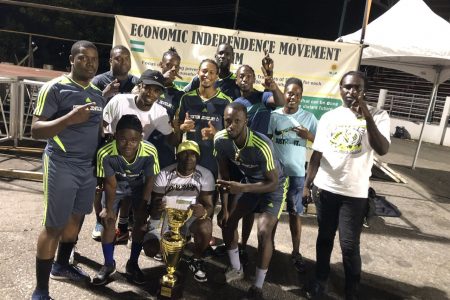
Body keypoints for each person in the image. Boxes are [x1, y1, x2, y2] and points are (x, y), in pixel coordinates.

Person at [304, 71, 390, 299]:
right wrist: (307, 185)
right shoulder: (329, 117)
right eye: (347, 87)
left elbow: (381, 149)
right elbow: (317, 154)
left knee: (349, 246)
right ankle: (320, 281)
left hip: (354, 193)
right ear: (340, 89)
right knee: (324, 238)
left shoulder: (379, 115)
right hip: (325, 188)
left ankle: (351, 290)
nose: (352, 92)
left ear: (364, 91)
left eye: (357, 88)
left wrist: (366, 117)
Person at [31, 40, 104, 300]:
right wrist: (69, 119)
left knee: (76, 220)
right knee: (53, 226)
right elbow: (36, 130)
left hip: (87, 167)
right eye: (84, 58)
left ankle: (61, 266)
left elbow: (96, 130)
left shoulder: (97, 93)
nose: (90, 63)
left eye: (94, 58)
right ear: (72, 60)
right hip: (61, 163)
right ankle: (40, 291)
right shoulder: (55, 87)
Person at [96, 69, 179, 243]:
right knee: (107, 205)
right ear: (140, 86)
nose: (151, 93)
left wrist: (179, 127)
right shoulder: (119, 101)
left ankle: (124, 229)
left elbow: (172, 139)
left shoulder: (160, 112)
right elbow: (101, 126)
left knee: (133, 201)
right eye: (148, 88)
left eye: (156, 90)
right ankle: (101, 223)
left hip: (135, 158)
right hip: (112, 153)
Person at [214, 102, 286, 299]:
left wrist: (242, 188)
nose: (232, 125)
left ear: (246, 121)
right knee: (227, 222)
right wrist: (225, 206)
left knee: (264, 232)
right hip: (250, 184)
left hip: (274, 187)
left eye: (237, 121)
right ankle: (236, 268)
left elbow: (272, 183)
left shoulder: (262, 144)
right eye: (228, 120)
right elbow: (224, 172)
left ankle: (258, 286)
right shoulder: (220, 140)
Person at [92, 114, 159, 286]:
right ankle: (108, 264)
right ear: (115, 136)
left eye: (134, 140)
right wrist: (108, 209)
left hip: (139, 186)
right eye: (122, 139)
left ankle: (133, 264)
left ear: (141, 138)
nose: (128, 144)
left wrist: (143, 206)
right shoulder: (105, 153)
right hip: (116, 185)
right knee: (108, 221)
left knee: (140, 223)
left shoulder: (150, 151)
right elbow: (110, 184)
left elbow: (150, 180)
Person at [143, 140, 215, 282]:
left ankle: (197, 258)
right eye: (184, 154)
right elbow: (155, 204)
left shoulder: (205, 175)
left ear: (198, 158)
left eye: (193, 154)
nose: (189, 158)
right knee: (150, 249)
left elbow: (209, 205)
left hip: (190, 216)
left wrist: (203, 212)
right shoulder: (164, 173)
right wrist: (158, 207)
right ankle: (168, 251)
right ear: (177, 156)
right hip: (167, 216)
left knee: (206, 226)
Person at [267, 77, 317, 272]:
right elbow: (268, 142)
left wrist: (308, 136)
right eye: (289, 93)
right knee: (273, 214)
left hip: (297, 175)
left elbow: (321, 143)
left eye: (297, 94)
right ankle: (269, 249)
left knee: (296, 213)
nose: (292, 97)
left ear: (301, 96)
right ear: (284, 93)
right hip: (276, 175)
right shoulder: (275, 116)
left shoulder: (309, 118)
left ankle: (296, 252)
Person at [90, 45, 138, 243]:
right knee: (100, 185)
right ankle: (99, 221)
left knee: (126, 183)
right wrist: (104, 94)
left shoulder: (136, 81)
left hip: (127, 143)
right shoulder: (99, 81)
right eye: (118, 58)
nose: (123, 62)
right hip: (104, 141)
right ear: (111, 60)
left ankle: (123, 223)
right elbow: (90, 108)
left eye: (126, 58)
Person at [177, 58, 232, 178]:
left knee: (208, 196)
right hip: (189, 158)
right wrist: (182, 127)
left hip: (213, 160)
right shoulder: (186, 98)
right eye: (204, 71)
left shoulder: (226, 101)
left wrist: (216, 134)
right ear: (198, 72)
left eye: (212, 72)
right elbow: (176, 127)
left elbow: (231, 135)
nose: (207, 75)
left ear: (217, 76)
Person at [148, 47, 185, 169]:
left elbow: (177, 129)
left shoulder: (179, 95)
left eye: (176, 66)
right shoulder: (147, 86)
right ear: (161, 64)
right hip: (142, 145)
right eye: (169, 65)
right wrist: (161, 79)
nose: (173, 69)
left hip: (164, 151)